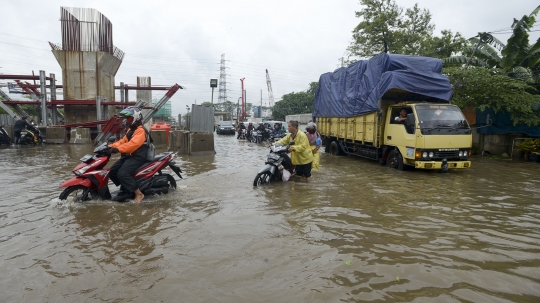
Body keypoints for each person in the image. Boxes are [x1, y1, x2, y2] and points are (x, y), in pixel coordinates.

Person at [108, 107, 149, 203]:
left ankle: (139, 194)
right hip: (130, 156)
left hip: (138, 157)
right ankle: (125, 189)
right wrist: (109, 147)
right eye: (126, 119)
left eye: (129, 118)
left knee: (122, 174)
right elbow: (123, 141)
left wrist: (117, 149)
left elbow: (132, 145)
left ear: (136, 118)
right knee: (112, 171)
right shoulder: (131, 130)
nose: (127, 121)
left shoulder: (141, 131)